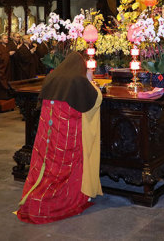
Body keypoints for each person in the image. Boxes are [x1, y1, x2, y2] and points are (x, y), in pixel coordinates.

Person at [16, 52, 102, 224]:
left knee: (48, 167)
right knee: (66, 168)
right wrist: (91, 81)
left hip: (48, 136)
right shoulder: (78, 81)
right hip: (68, 137)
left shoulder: (51, 78)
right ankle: (53, 202)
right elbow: (94, 100)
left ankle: (35, 197)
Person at [0, 35, 12, 100]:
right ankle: (2, 97)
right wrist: (8, 54)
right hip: (1, 68)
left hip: (7, 68)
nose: (6, 39)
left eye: (7, 38)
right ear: (1, 40)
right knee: (2, 82)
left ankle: (7, 96)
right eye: (4, 38)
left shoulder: (7, 46)